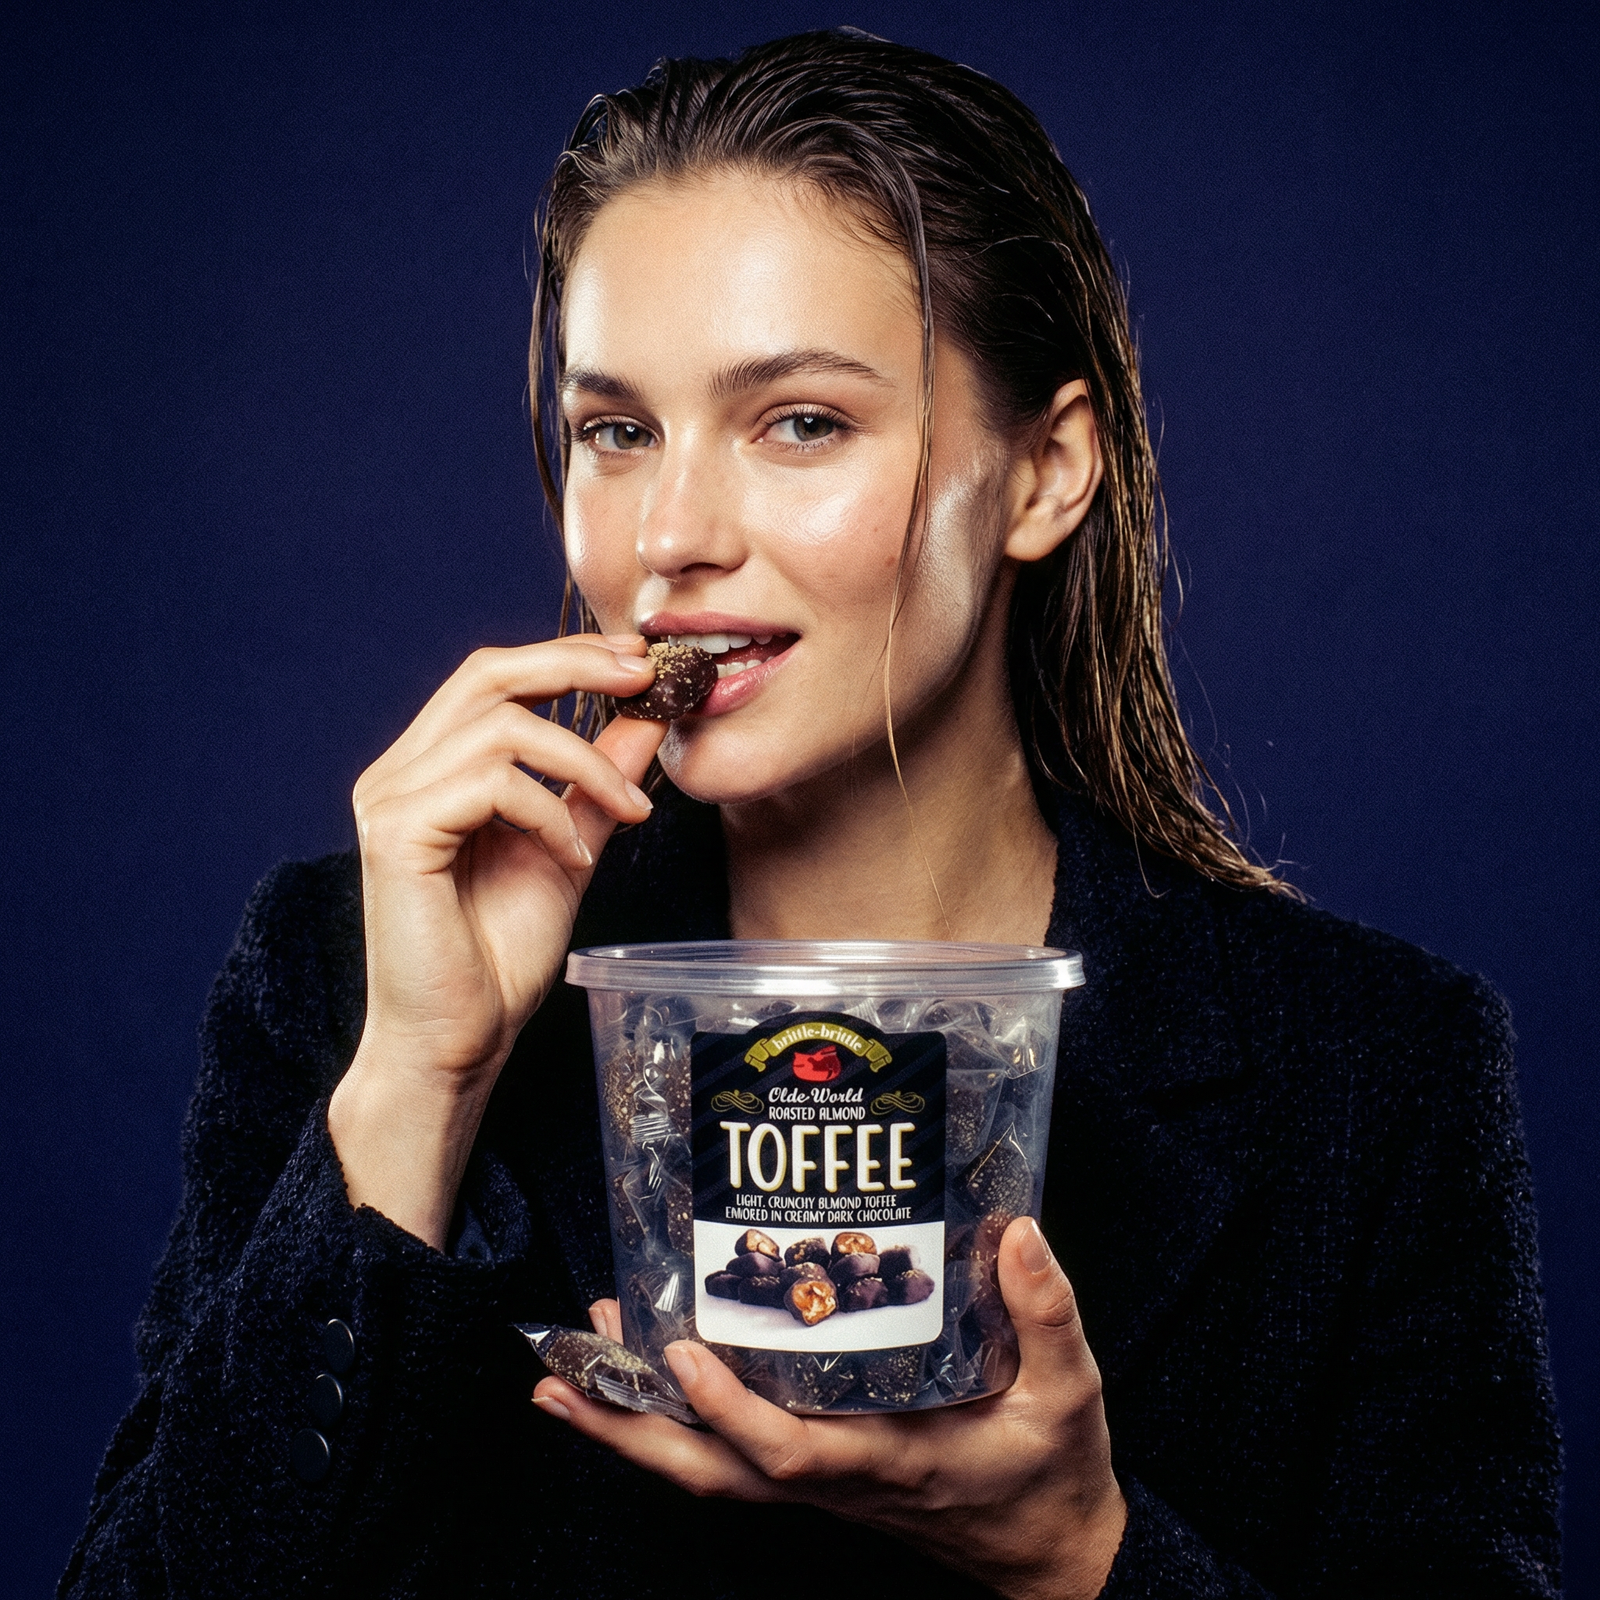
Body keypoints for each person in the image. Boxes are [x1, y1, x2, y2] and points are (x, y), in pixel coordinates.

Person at [62, 30, 1561, 1599]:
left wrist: (1078, 1554)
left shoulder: (1375, 1074)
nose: (670, 537)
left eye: (800, 424)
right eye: (616, 431)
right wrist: (420, 1092)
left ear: (1046, 473)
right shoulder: (353, 971)